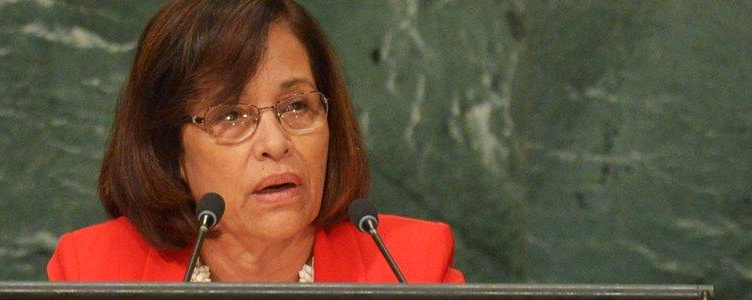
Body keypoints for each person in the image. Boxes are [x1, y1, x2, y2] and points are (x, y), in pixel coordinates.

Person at [47, 0, 464, 283]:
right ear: (170, 150)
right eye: (230, 115)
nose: (275, 142)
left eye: (297, 106)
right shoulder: (95, 271)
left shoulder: (410, 267)